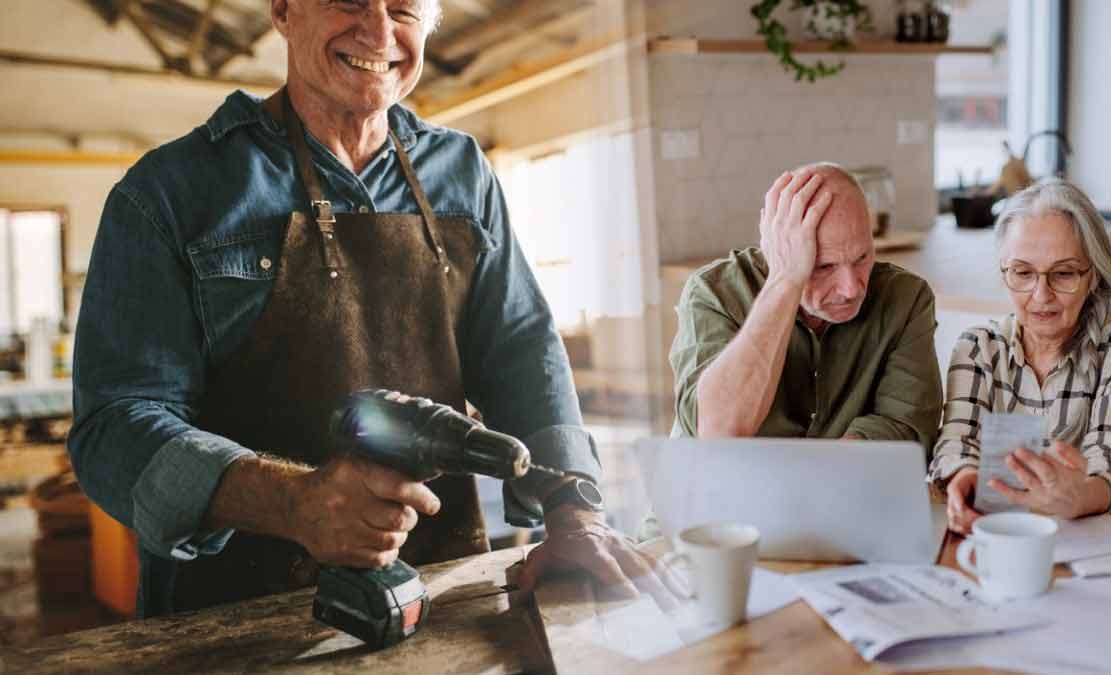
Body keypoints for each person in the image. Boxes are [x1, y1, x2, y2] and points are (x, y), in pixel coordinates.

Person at [68, 0, 675, 617]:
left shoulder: (462, 173)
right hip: (231, 614)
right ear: (282, 10)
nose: (379, 31)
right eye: (350, 1)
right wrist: (294, 502)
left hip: (439, 593)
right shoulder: (169, 191)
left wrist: (574, 510)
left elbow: (522, 351)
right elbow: (113, 426)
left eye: (404, 8)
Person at [930, 179, 1111, 534]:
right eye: (1022, 272)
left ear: (1092, 276)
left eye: (1064, 273)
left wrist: (1078, 495)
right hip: (1025, 538)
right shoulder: (978, 348)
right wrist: (964, 477)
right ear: (1005, 273)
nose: (1041, 295)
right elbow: (957, 441)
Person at [668, 163, 943, 448]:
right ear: (777, 250)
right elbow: (718, 433)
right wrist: (786, 281)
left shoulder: (907, 298)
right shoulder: (714, 292)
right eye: (823, 266)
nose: (851, 288)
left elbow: (905, 429)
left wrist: (813, 478)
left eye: (862, 257)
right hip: (729, 489)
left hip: (846, 487)